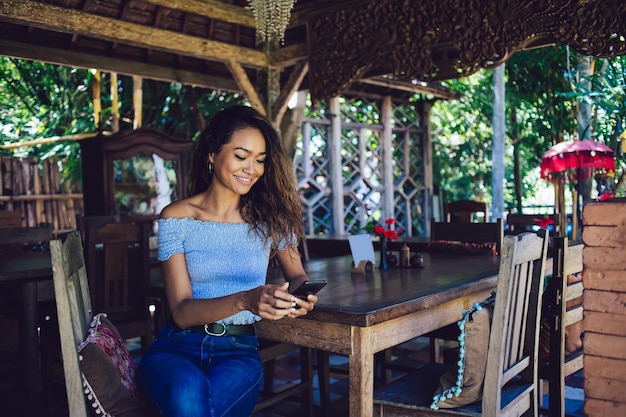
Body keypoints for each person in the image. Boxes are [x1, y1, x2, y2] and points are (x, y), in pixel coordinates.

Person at [138, 105, 318, 417]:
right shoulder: (176, 218)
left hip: (238, 352)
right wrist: (247, 300)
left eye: (260, 160)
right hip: (176, 347)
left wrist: (300, 298)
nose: (252, 168)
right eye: (241, 155)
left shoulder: (271, 220)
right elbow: (181, 312)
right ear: (212, 153)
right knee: (185, 391)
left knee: (191, 407)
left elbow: (298, 275)